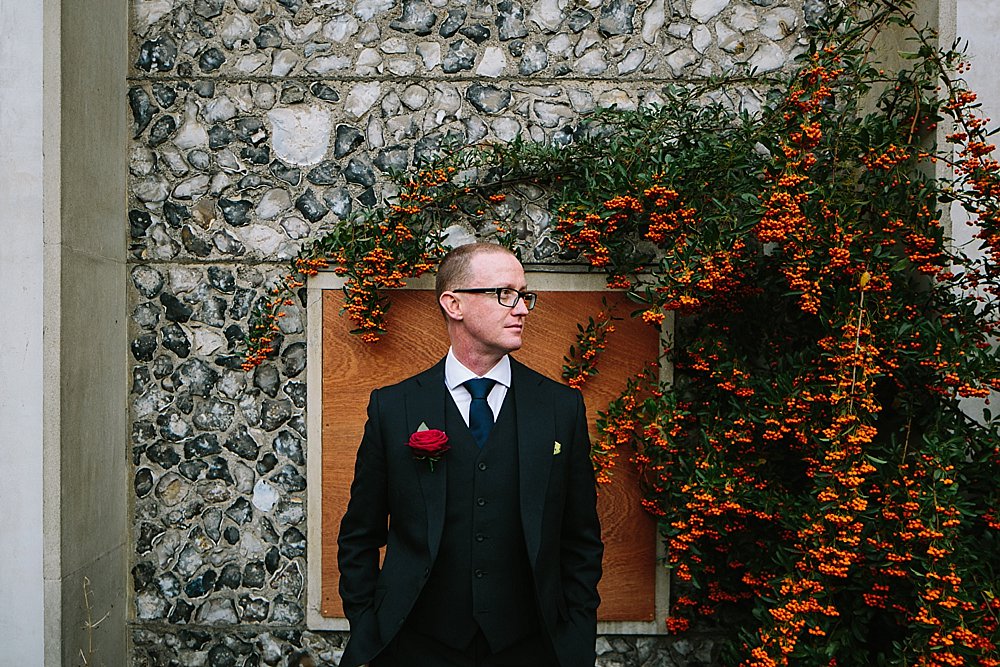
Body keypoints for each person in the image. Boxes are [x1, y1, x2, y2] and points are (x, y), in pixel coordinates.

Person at [337, 242, 604, 667]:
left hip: (529, 647)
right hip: (416, 646)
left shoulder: (560, 408)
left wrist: (575, 640)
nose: (522, 309)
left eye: (525, 295)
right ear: (454, 303)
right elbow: (360, 534)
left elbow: (581, 539)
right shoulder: (394, 408)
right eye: (505, 293)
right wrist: (368, 625)